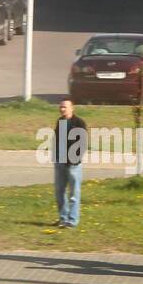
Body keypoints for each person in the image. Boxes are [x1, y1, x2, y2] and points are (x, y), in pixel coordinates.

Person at [52, 97, 86, 228]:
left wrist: (74, 160)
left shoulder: (79, 123)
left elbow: (82, 144)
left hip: (73, 164)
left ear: (72, 108)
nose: (62, 109)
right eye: (61, 106)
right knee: (59, 191)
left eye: (65, 106)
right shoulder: (60, 121)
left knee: (74, 193)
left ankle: (72, 220)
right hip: (60, 162)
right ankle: (63, 218)